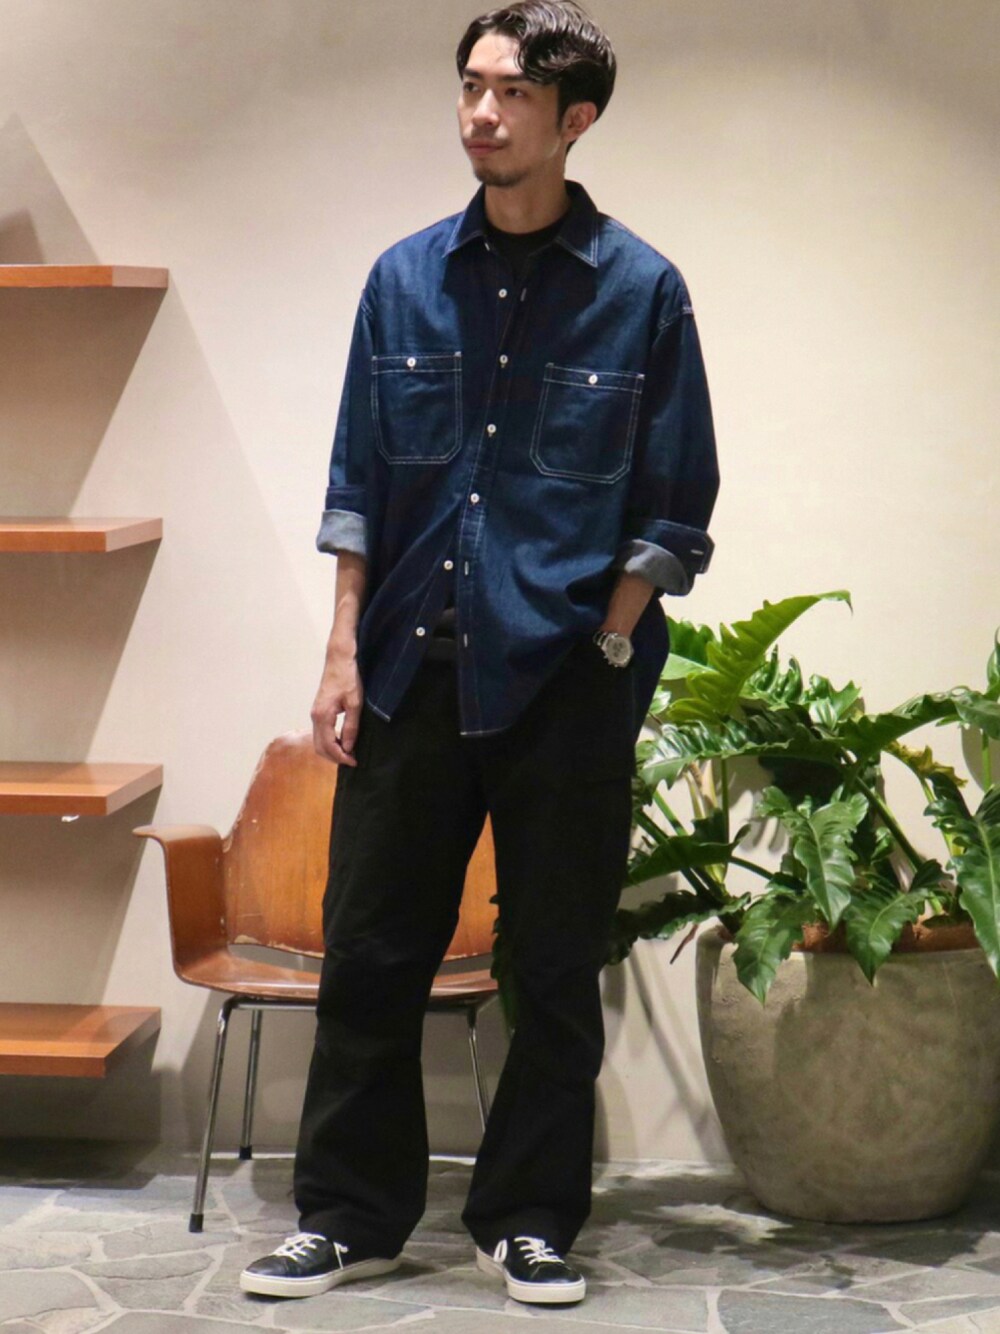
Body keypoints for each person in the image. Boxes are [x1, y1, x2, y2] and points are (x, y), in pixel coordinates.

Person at [241, 0, 718, 1306]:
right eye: (471, 86)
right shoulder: (403, 281)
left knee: (553, 969)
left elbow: (675, 503)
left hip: (563, 682)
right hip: (410, 671)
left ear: (577, 118)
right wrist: (341, 652)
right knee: (371, 953)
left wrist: (607, 641)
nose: (483, 113)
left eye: (512, 93)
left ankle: (529, 1219)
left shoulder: (641, 292)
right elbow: (358, 486)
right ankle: (351, 1216)